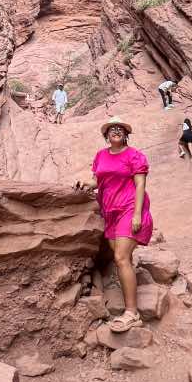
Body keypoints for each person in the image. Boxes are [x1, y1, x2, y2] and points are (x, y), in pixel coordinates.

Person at [75, 117, 153, 332]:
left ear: (125, 134)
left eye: (120, 129)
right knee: (122, 258)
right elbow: (98, 181)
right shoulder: (101, 155)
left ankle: (131, 313)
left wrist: (137, 214)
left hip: (129, 208)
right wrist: (86, 183)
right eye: (112, 129)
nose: (116, 131)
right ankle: (129, 291)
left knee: (120, 257)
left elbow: (140, 184)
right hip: (109, 211)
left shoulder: (134, 155)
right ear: (106, 136)